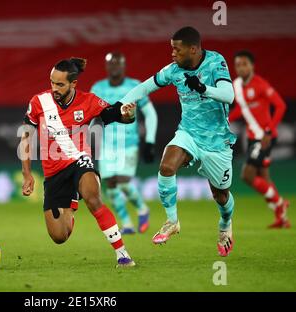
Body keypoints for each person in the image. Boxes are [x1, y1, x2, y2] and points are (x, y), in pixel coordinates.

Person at [119, 26, 237, 257]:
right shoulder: (174, 71)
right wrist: (120, 105)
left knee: (221, 196)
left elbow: (229, 95)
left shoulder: (215, 62)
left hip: (216, 141)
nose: (173, 54)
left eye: (177, 50)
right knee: (166, 166)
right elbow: (146, 86)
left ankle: (225, 224)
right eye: (171, 49)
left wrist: (204, 88)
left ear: (193, 49)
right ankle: (172, 221)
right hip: (188, 134)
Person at [20, 57, 137, 267]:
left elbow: (115, 114)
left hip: (80, 161)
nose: (54, 88)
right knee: (59, 236)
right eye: (52, 82)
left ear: (73, 83)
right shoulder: (39, 103)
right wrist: (27, 173)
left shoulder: (88, 101)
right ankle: (71, 203)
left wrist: (128, 115)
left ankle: (122, 253)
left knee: (93, 198)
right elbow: (26, 137)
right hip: (53, 173)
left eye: (60, 84)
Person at [90, 52, 158, 234]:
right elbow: (90, 115)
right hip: (107, 145)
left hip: (129, 143)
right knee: (111, 185)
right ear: (106, 66)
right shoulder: (98, 88)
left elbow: (150, 113)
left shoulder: (134, 86)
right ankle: (127, 223)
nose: (114, 67)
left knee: (124, 183)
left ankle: (142, 209)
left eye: (118, 64)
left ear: (124, 66)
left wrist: (150, 141)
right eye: (111, 64)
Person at [229, 50, 289, 228]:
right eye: (238, 65)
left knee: (247, 175)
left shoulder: (261, 84)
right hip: (252, 137)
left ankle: (279, 202)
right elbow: (242, 109)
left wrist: (269, 131)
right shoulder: (237, 85)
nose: (241, 68)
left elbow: (280, 105)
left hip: (264, 138)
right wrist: (228, 119)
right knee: (264, 177)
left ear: (252, 66)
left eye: (244, 64)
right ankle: (281, 218)